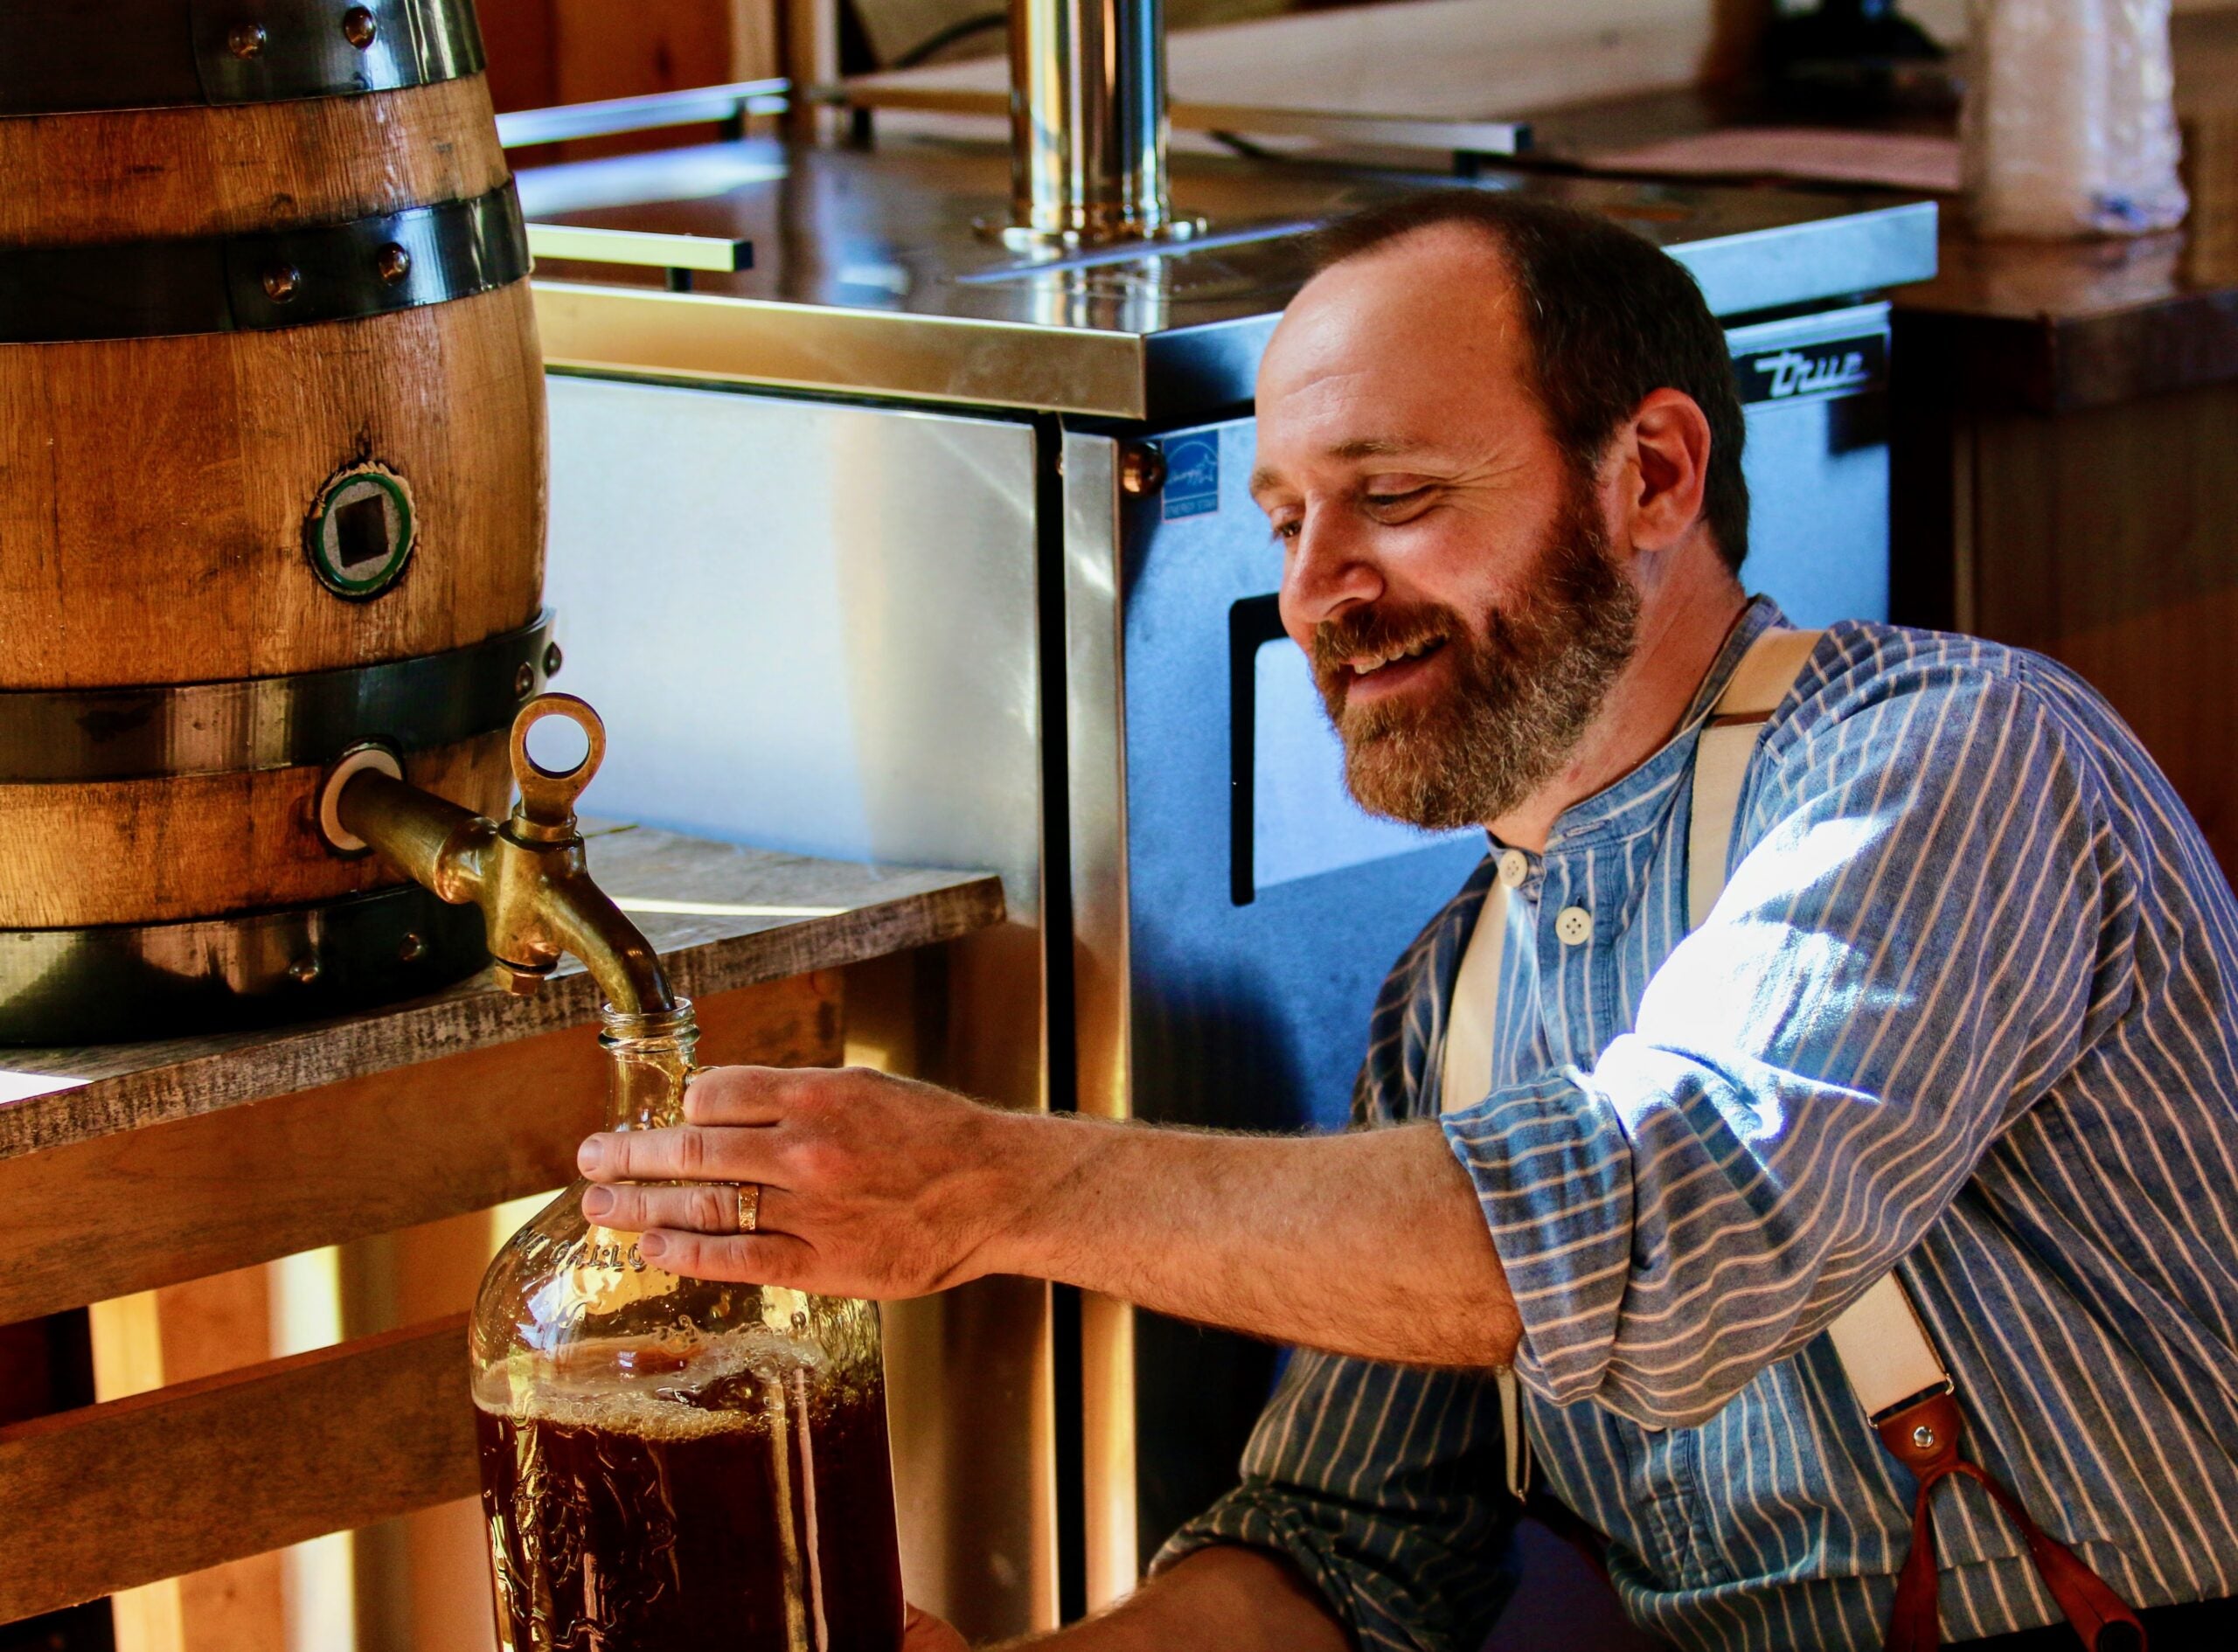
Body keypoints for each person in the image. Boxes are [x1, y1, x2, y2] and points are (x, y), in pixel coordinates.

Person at [571, 191, 2238, 1650]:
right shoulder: (1447, 997)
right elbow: (1346, 1556)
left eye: (1396, 494)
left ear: (1650, 474)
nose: (1315, 593)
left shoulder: (1953, 760)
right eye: (1292, 520)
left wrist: (983, 1183)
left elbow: (1668, 1229)